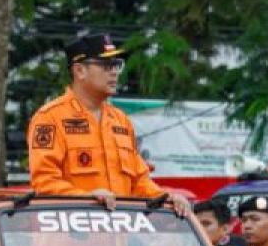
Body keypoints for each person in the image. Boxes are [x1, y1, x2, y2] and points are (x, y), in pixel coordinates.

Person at [26, 33, 191, 217]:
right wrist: (85, 198)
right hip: (70, 239)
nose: (114, 72)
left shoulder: (121, 120)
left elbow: (139, 182)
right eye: (105, 65)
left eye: (116, 65)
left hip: (117, 240)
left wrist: (165, 197)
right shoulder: (50, 118)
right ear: (80, 70)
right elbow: (44, 182)